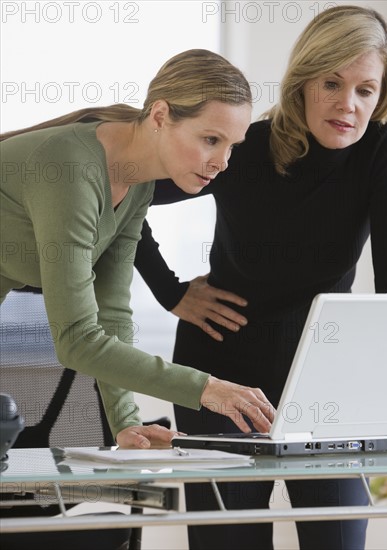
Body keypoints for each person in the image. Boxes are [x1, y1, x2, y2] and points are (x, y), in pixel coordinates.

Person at [133, 6, 387, 550]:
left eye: (366, 90)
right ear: (304, 80)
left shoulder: (380, 151)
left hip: (327, 387)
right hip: (220, 378)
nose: (348, 104)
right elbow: (125, 195)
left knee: (339, 538)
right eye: (332, 82)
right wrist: (171, 291)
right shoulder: (243, 147)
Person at [0, 49, 274, 452]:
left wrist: (127, 423)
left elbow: (110, 313)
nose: (222, 162)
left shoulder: (138, 183)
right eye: (211, 140)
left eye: (231, 146)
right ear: (161, 116)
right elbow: (75, 339)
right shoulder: (71, 171)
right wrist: (205, 388)